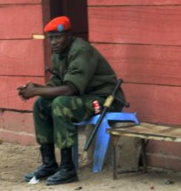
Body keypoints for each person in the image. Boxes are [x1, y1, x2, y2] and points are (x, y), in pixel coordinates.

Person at [17, 16, 126, 186]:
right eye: (51, 38)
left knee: (61, 104)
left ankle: (68, 168)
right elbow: (58, 83)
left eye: (58, 37)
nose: (54, 42)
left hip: (103, 100)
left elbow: (70, 89)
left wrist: (36, 91)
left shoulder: (81, 50)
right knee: (41, 104)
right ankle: (49, 164)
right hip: (83, 96)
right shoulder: (59, 54)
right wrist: (36, 88)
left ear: (69, 36)